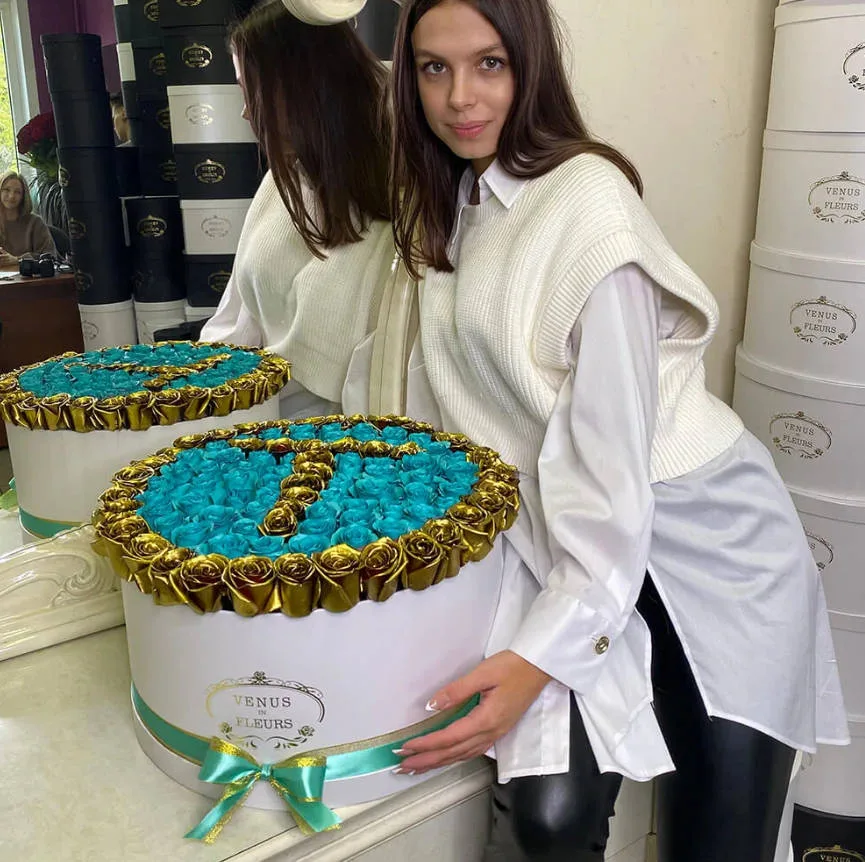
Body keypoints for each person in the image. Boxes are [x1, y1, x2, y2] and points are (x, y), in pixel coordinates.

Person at [382, 2, 850, 860]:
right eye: (433, 67)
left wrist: (541, 658)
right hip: (565, 542)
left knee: (718, 845)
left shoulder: (586, 204)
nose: (459, 97)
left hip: (707, 553)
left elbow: (612, 470)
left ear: (531, 64)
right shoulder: (451, 202)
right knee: (547, 817)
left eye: (489, 63)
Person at [201, 0, 394, 419]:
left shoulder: (399, 191)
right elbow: (235, 319)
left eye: (250, 90)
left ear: (301, 84)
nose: (246, 111)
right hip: (255, 416)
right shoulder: (280, 183)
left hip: (350, 436)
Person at [0, 170, 57, 265]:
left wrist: (18, 260)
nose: (11, 196)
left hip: (30, 274)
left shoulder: (35, 223)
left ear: (23, 196)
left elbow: (50, 255)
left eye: (17, 192)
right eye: (6, 190)